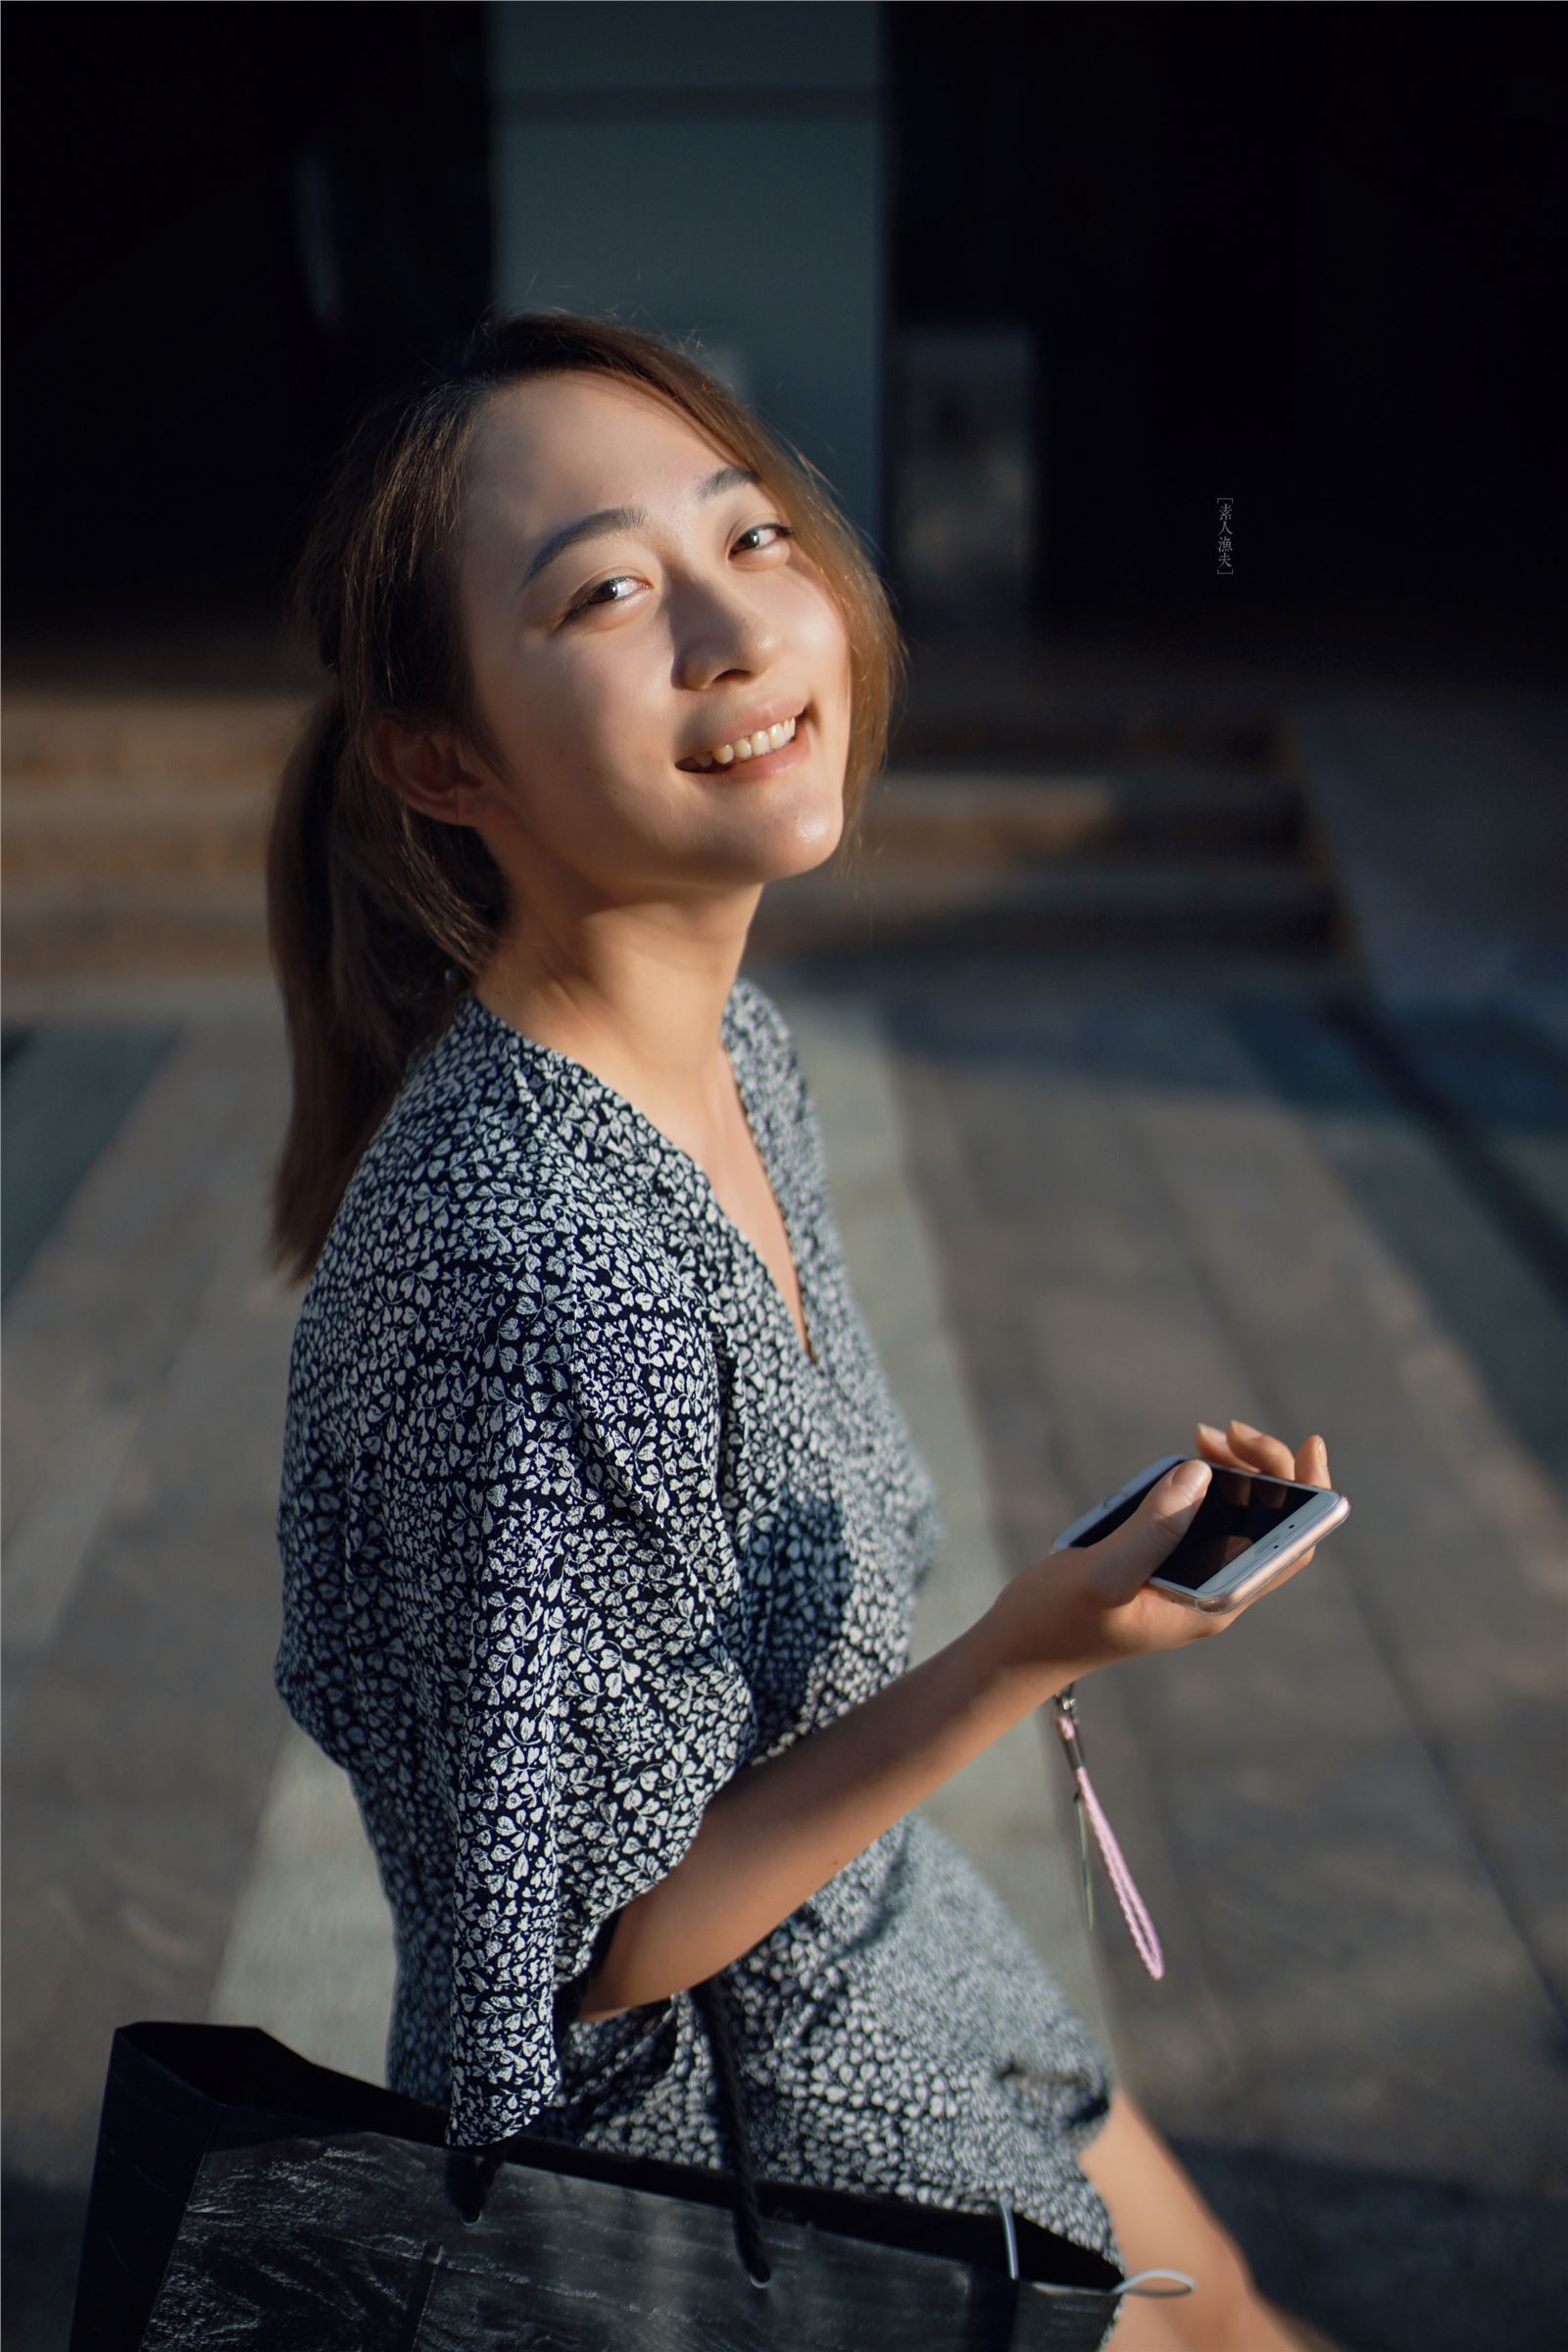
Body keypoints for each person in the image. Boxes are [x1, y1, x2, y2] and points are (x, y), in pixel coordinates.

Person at [268, 311, 1345, 2352]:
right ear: (444, 761)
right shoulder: (538, 1277)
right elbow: (588, 1961)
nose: (735, 632)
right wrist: (1031, 1645)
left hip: (872, 1949)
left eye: (749, 538)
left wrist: (1073, 1601)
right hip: (713, 2149)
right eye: (603, 590)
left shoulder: (731, 1055)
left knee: (1246, 2323)